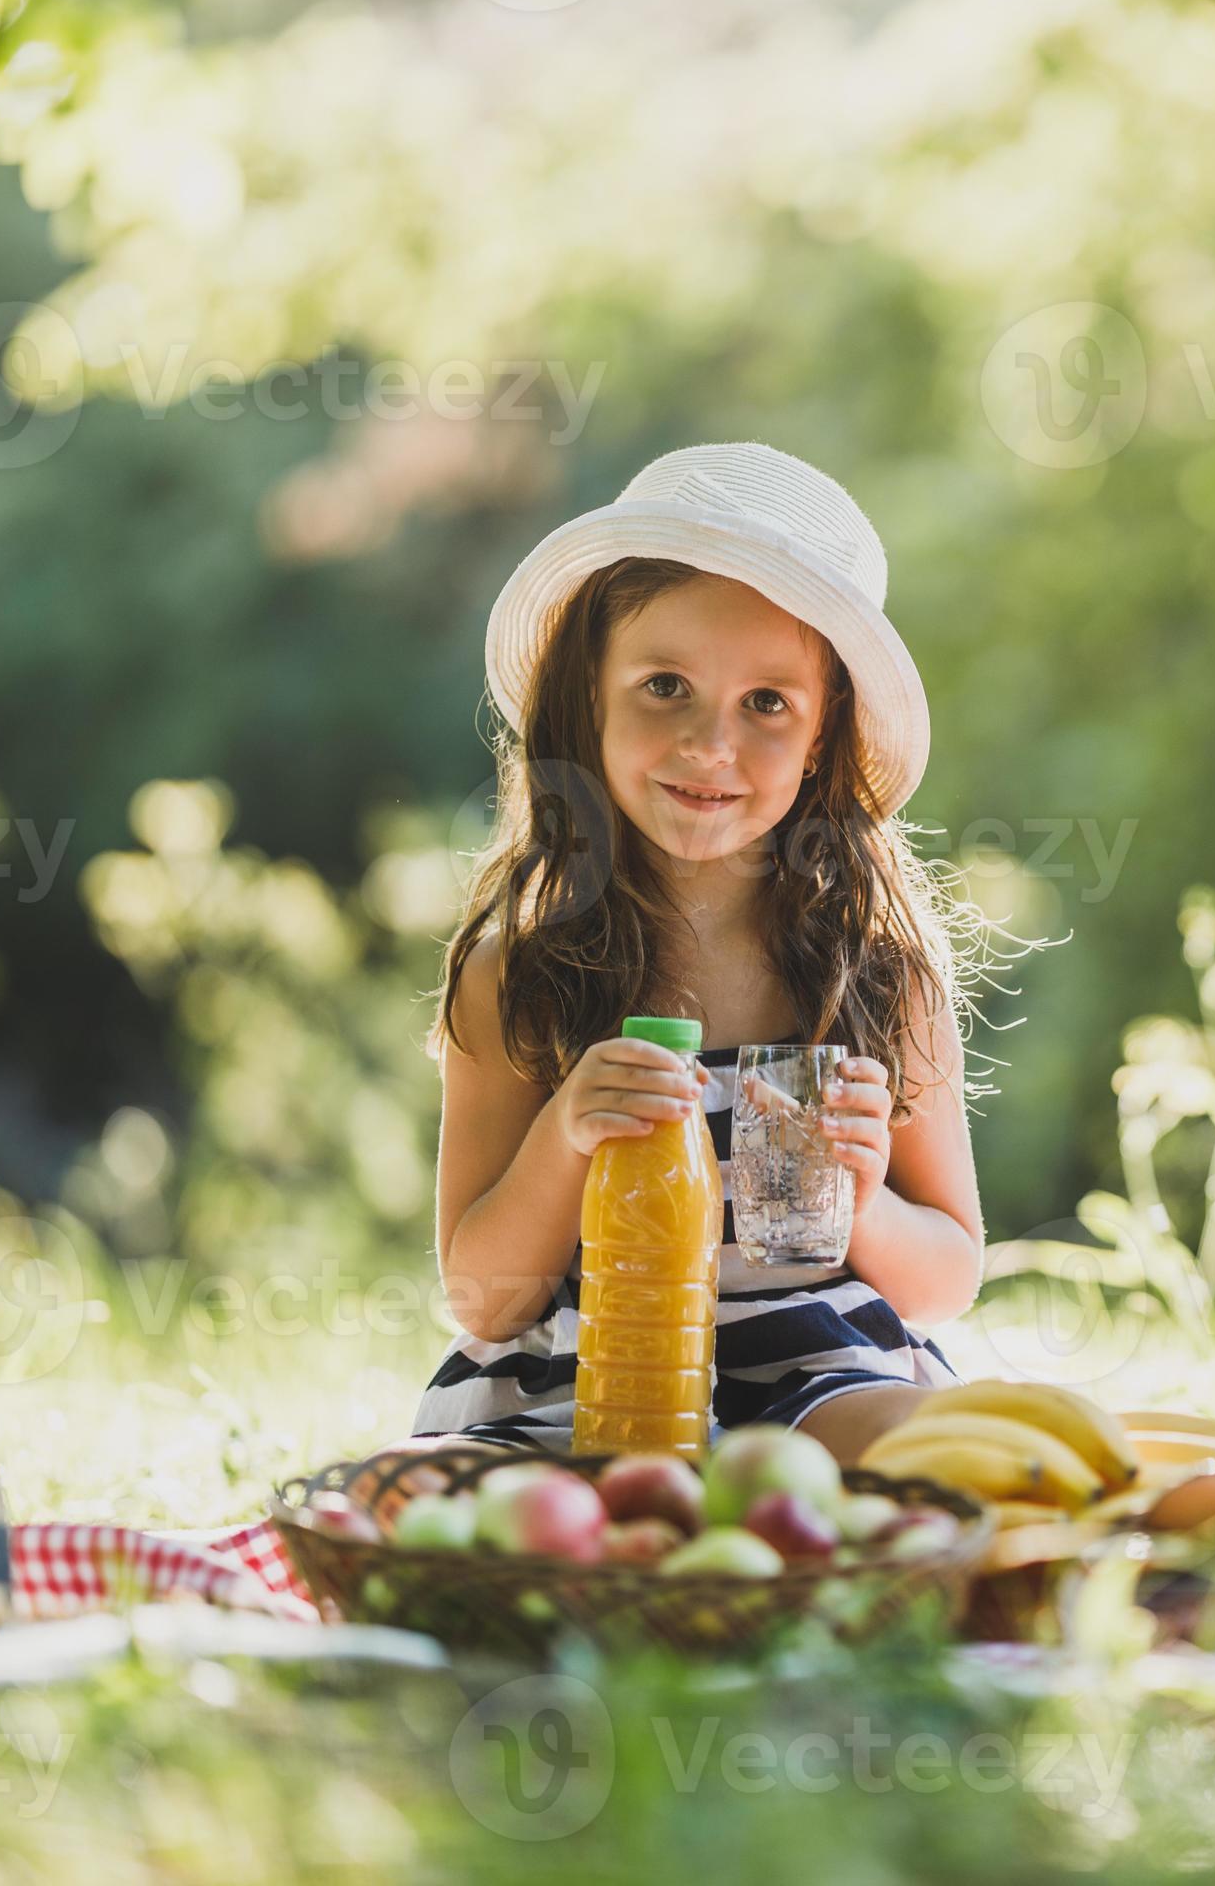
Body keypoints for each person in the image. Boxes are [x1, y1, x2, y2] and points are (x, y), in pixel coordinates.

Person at [412, 442, 1010, 1464]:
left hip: (818, 1374)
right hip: (580, 1378)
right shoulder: (517, 980)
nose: (710, 745)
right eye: (665, 685)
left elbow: (946, 1278)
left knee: (944, 1455)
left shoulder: (878, 978)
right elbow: (485, 1296)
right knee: (418, 1490)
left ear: (823, 734)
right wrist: (565, 1135)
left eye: (767, 703)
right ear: (588, 695)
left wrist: (865, 1200)